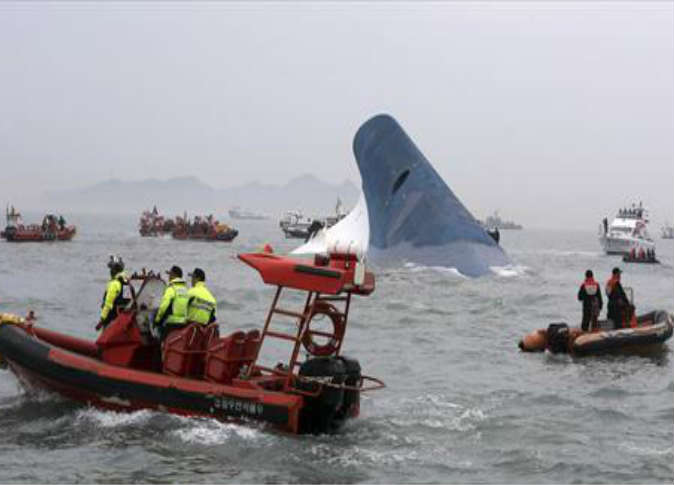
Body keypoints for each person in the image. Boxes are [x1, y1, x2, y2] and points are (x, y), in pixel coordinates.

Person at [154, 265, 189, 340]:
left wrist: (156, 321)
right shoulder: (186, 290)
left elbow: (163, 307)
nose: (169, 277)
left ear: (174, 275)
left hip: (172, 324)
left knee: (159, 337)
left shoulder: (171, 289)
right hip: (184, 324)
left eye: (170, 274)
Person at [97, 256, 129, 330]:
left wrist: (101, 320)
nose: (110, 271)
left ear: (114, 270)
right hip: (122, 322)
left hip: (111, 321)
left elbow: (108, 304)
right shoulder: (126, 283)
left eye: (111, 269)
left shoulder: (114, 284)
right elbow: (128, 302)